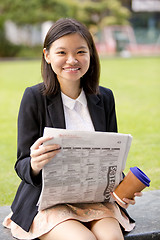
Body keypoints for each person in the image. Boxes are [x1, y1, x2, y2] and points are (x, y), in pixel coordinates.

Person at [3, 18, 142, 240]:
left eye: (80, 52)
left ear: (91, 55)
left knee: (112, 238)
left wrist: (122, 187)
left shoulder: (104, 98)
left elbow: (111, 158)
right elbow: (22, 164)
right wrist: (35, 164)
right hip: (48, 202)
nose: (72, 60)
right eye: (61, 53)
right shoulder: (34, 97)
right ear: (47, 55)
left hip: (93, 199)